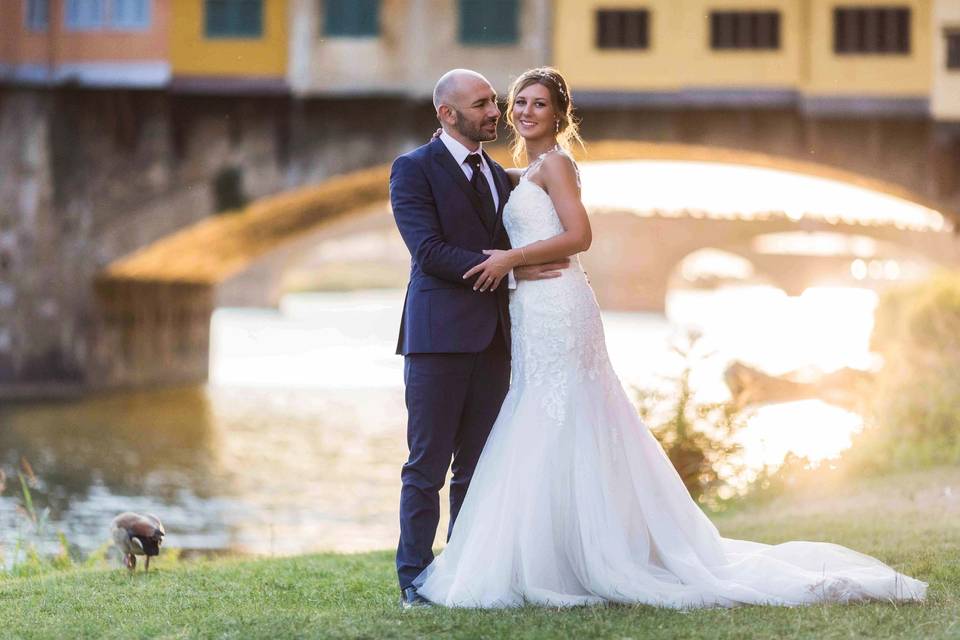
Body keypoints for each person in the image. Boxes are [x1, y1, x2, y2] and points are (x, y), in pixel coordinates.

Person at [410, 67, 928, 608]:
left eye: (537, 104)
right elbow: (472, 187)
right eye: (517, 103)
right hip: (533, 307)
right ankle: (557, 553)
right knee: (544, 414)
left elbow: (579, 235)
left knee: (559, 412)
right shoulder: (519, 171)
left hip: (559, 306)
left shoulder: (557, 164)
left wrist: (512, 259)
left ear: (559, 114)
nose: (521, 112)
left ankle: (580, 556)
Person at [389, 68, 569, 609]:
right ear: (448, 114)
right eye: (483, 104)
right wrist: (512, 270)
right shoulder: (412, 170)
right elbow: (429, 252)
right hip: (437, 340)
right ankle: (414, 580)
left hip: (495, 340)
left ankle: (463, 574)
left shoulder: (499, 174)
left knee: (476, 469)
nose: (497, 112)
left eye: (495, 101)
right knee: (426, 467)